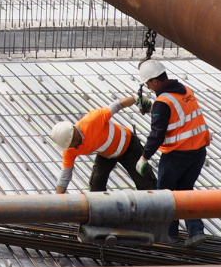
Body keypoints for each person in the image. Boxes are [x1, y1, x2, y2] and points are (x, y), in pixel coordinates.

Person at [135, 59, 212, 248]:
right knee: (186, 191)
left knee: (166, 195)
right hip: (199, 152)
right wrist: (153, 108)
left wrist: (144, 157)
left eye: (147, 84)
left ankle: (170, 236)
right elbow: (179, 115)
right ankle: (196, 232)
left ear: (154, 81)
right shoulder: (184, 90)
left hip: (178, 154)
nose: (148, 87)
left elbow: (157, 134)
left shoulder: (163, 102)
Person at [49, 94, 157, 195]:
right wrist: (57, 202)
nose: (70, 148)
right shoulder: (69, 149)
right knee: (96, 186)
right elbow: (65, 176)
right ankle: (103, 213)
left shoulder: (92, 120)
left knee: (145, 183)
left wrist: (136, 98)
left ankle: (156, 208)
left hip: (129, 147)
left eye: (70, 145)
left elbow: (117, 105)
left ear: (74, 136)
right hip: (107, 154)